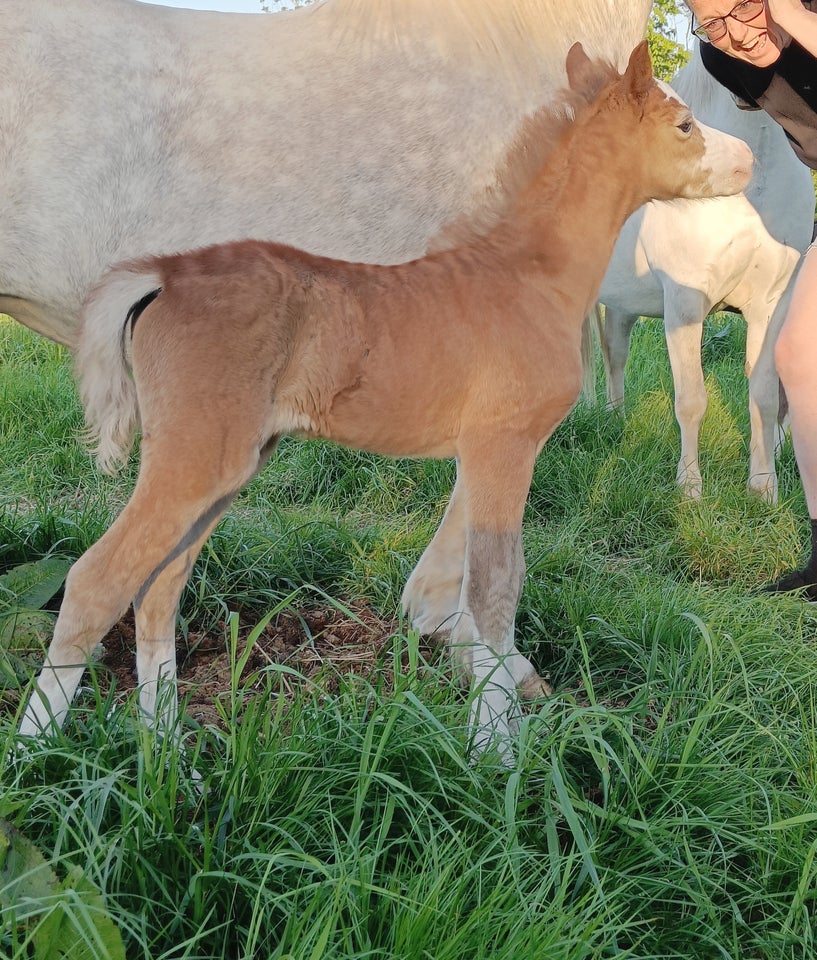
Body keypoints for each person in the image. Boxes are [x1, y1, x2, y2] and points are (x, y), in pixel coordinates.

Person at [686, 0, 817, 598]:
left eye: (740, 7)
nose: (733, 34)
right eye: (710, 21)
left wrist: (792, 16)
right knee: (797, 356)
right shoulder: (723, 59)